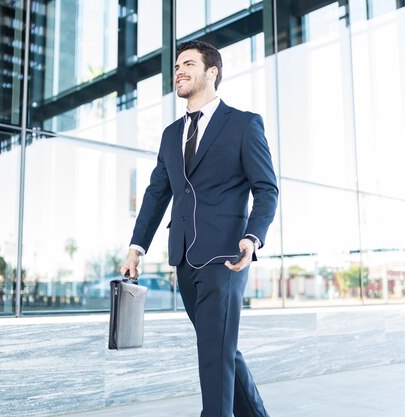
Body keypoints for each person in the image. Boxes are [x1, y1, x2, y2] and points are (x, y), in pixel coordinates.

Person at [121, 40, 278, 417]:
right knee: (219, 347)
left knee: (213, 349)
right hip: (185, 258)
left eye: (188, 64)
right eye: (176, 66)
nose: (179, 71)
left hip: (226, 256)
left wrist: (252, 237)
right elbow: (157, 193)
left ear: (212, 73)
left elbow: (266, 188)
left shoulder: (243, 124)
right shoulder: (171, 134)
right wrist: (135, 248)